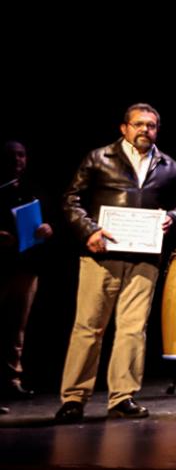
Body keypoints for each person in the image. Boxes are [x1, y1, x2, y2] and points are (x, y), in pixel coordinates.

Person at [55, 104, 176, 423]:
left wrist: (172, 217)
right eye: (139, 124)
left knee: (133, 330)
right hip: (102, 256)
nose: (145, 130)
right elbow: (71, 200)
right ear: (124, 128)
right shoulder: (99, 157)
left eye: (151, 126)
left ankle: (122, 397)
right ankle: (74, 397)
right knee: (88, 327)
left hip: (144, 259)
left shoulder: (167, 165)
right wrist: (89, 230)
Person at [0, 140, 52, 404]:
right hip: (1, 265)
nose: (17, 160)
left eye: (21, 155)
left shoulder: (34, 190)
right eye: (12, 156)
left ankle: (12, 380)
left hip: (26, 266)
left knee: (16, 326)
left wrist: (47, 229)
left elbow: (50, 222)